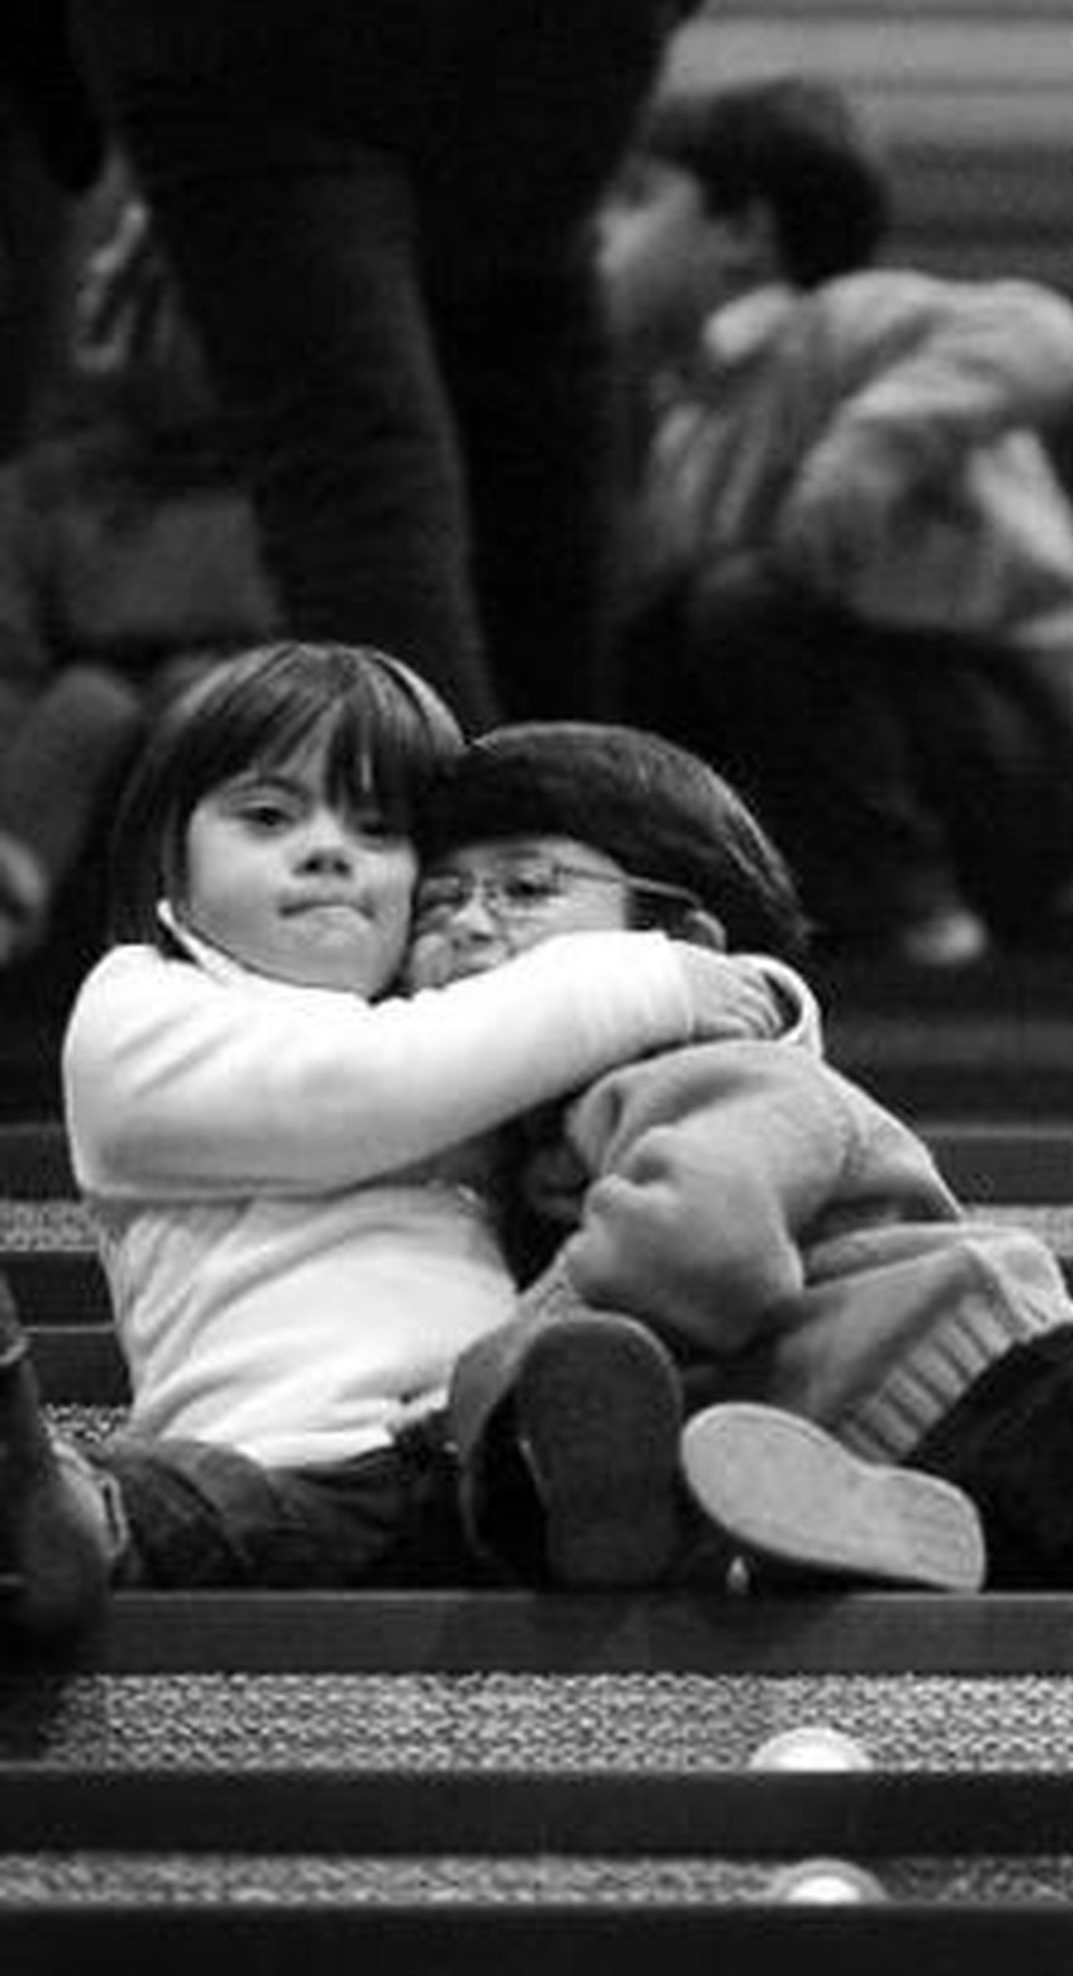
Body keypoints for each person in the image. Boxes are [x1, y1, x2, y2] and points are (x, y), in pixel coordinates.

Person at [408, 718, 1073, 1597]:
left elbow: (707, 1251)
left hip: (1033, 1401)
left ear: (685, 951)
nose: (468, 924)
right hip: (909, 1480)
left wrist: (494, 1374)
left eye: (525, 886)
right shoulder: (520, 1170)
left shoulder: (727, 1070)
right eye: (435, 901)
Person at [0, 641, 781, 1643]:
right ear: (171, 859)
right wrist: (649, 980)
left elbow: (700, 1108)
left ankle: (625, 1509)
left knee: (623, 1396)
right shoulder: (140, 1008)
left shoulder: (461, 1031)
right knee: (193, 1503)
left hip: (485, 1450)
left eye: (378, 829)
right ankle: (52, 1508)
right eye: (269, 817)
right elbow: (361, 1087)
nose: (328, 851)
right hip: (288, 1457)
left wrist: (754, 1009)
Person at [0, 0, 711, 730]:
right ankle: (573, 859)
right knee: (523, 419)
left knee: (355, 459)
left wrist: (130, 109)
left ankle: (440, 862)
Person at [600, 74, 1073, 964]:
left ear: (743, 233)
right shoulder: (685, 414)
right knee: (653, 630)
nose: (598, 238)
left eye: (635, 202)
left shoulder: (848, 322)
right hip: (895, 758)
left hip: (1029, 766)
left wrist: (875, 446)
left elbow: (1042, 334)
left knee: (747, 604)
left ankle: (911, 909)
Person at [0, 197, 279, 976]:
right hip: (73, 736)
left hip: (258, 710)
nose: (178, 345)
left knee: (202, 701)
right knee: (90, 706)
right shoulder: (46, 491)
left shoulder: (313, 486)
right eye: (152, 314)